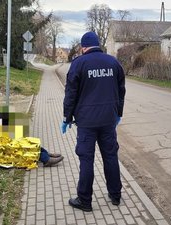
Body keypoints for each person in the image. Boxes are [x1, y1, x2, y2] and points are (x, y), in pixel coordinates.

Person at [61, 31, 126, 212]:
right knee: (111, 156)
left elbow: (70, 94)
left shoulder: (78, 64)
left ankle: (85, 201)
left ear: (83, 47)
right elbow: (121, 91)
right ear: (98, 44)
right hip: (108, 121)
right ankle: (115, 195)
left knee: (87, 160)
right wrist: (118, 113)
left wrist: (67, 118)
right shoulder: (114, 63)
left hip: (86, 123)